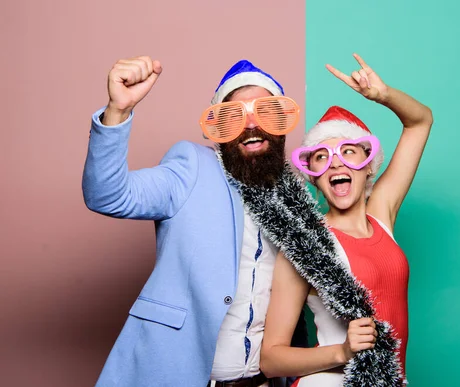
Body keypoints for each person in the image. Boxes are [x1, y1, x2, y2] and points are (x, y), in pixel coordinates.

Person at [82, 55, 309, 387]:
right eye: (233, 117)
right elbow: (107, 194)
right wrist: (118, 111)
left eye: (266, 112)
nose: (250, 125)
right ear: (218, 129)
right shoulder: (191, 167)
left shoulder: (296, 194)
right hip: (182, 375)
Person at [259, 53, 434, 386]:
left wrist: (384, 96)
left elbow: (421, 121)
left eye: (348, 153)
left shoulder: (381, 214)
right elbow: (271, 359)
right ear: (314, 177)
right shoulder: (307, 245)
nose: (335, 164)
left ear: (369, 165)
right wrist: (342, 351)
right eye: (322, 158)